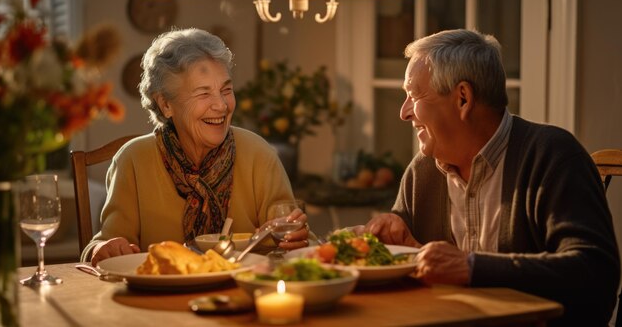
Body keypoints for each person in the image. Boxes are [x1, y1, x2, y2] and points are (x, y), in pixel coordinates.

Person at [362, 29, 620, 326]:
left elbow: (594, 274)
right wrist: (390, 240)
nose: (404, 113)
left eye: (413, 95)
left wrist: (471, 267)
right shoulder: (423, 171)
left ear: (463, 98)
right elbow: (410, 261)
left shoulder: (553, 156)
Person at [82, 28, 309, 265]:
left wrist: (296, 238)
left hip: (242, 293)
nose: (221, 106)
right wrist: (102, 250)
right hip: (158, 297)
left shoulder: (258, 154)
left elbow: (300, 242)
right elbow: (103, 247)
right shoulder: (133, 161)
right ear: (166, 104)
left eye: (226, 90)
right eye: (203, 93)